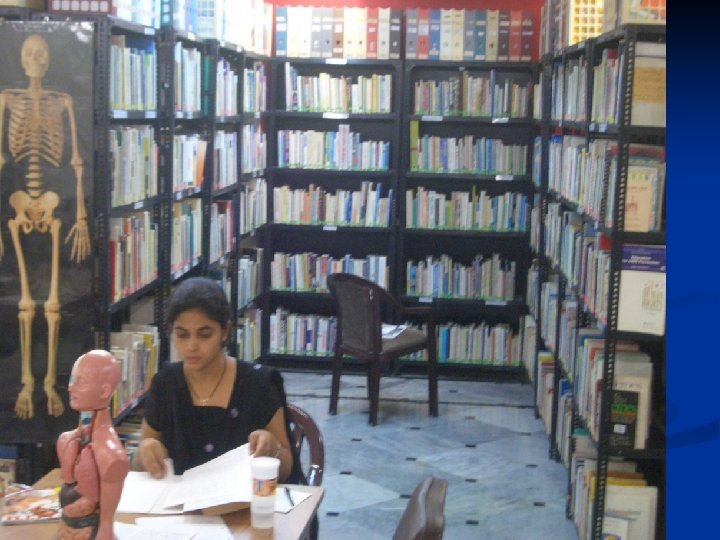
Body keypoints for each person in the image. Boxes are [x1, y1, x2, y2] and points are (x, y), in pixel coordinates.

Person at [134, 277, 300, 483]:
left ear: (225, 332)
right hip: (181, 501)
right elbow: (139, 464)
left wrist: (272, 448)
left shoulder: (258, 384)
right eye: (182, 335)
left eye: (204, 335)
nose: (192, 346)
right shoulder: (164, 383)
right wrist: (146, 452)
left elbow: (287, 469)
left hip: (244, 500)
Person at [56, 350, 129, 540]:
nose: (71, 387)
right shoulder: (69, 440)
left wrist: (106, 528)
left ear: (104, 391)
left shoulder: (109, 451)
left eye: (81, 381)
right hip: (67, 527)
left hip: (90, 531)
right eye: (72, 380)